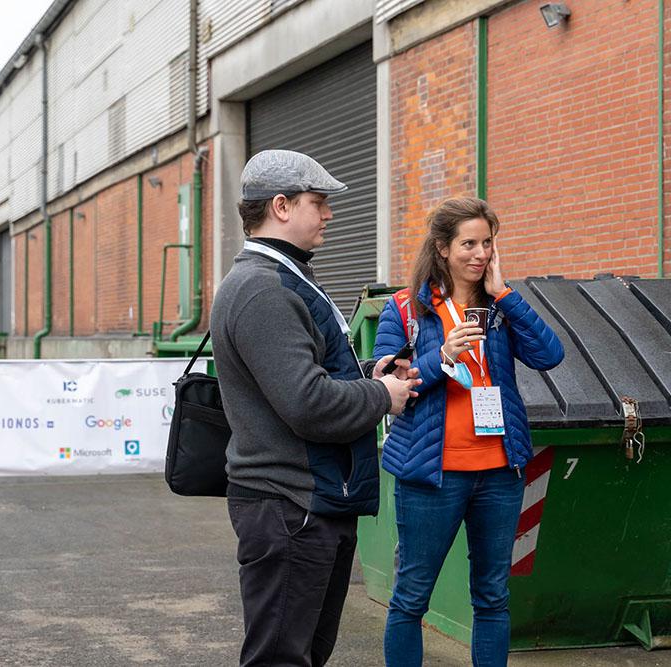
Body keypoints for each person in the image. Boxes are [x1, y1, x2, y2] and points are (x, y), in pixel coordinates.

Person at [210, 149, 420, 667]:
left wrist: (367, 373)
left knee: (304, 652)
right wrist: (382, 396)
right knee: (282, 657)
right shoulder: (263, 288)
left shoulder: (283, 277)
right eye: (318, 201)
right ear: (281, 206)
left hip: (308, 502)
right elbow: (307, 403)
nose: (328, 213)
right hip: (291, 506)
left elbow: (304, 376)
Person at [373, 197, 564, 666]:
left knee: (493, 597)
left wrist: (506, 295)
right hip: (432, 474)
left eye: (487, 243)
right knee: (411, 597)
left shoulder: (499, 307)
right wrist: (443, 357)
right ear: (442, 247)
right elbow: (387, 386)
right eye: (469, 244)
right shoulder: (405, 309)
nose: (481, 254)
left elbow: (550, 355)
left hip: (499, 472)